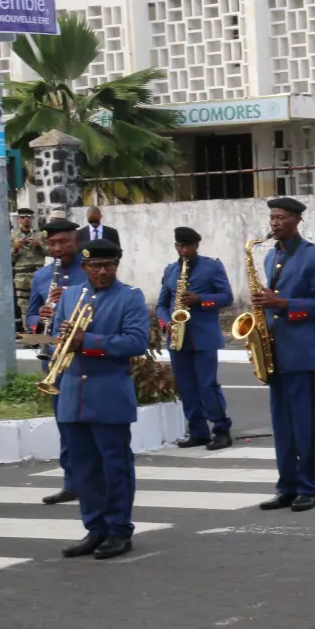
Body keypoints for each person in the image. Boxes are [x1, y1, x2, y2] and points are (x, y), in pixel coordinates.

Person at [53, 239, 149, 560]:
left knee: (115, 467)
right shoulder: (69, 296)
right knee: (84, 468)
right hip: (72, 396)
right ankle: (95, 529)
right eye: (95, 266)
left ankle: (119, 530)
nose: (102, 271)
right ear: (84, 267)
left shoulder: (129, 297)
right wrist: (60, 336)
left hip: (109, 395)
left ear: (117, 266)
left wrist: (88, 340)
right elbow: (57, 339)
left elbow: (136, 342)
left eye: (108, 265)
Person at [256, 198, 315, 513]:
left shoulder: (314, 256)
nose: (275, 223)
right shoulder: (270, 255)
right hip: (274, 349)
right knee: (281, 421)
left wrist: (283, 304)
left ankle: (307, 486)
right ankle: (285, 485)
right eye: (272, 217)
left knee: (302, 421)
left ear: (297, 220)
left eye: (281, 218)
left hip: (301, 350)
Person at [26, 219, 87, 506]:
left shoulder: (90, 271)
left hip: (85, 360)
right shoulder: (41, 276)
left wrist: (69, 303)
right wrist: (41, 316)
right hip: (53, 359)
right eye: (52, 243)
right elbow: (30, 320)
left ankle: (95, 478)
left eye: (64, 242)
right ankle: (71, 481)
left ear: (76, 241)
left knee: (89, 424)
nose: (58, 248)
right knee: (64, 423)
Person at [157, 227, 234, 451]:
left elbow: (226, 297)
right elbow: (162, 304)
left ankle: (221, 430)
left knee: (207, 385)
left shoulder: (212, 266)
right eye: (180, 246)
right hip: (177, 337)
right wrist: (166, 323)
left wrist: (200, 299)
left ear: (196, 246)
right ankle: (198, 431)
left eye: (188, 246)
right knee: (186, 386)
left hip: (203, 336)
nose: (184, 250)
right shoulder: (170, 270)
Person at [11, 207, 46, 328]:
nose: (26, 220)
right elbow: (6, 260)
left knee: (43, 303)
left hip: (39, 273)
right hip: (22, 277)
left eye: (29, 217)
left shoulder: (40, 235)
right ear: (19, 219)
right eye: (23, 217)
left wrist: (40, 246)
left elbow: (51, 252)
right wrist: (15, 248)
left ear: (32, 219)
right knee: (25, 306)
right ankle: (29, 332)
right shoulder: (13, 236)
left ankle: (42, 331)